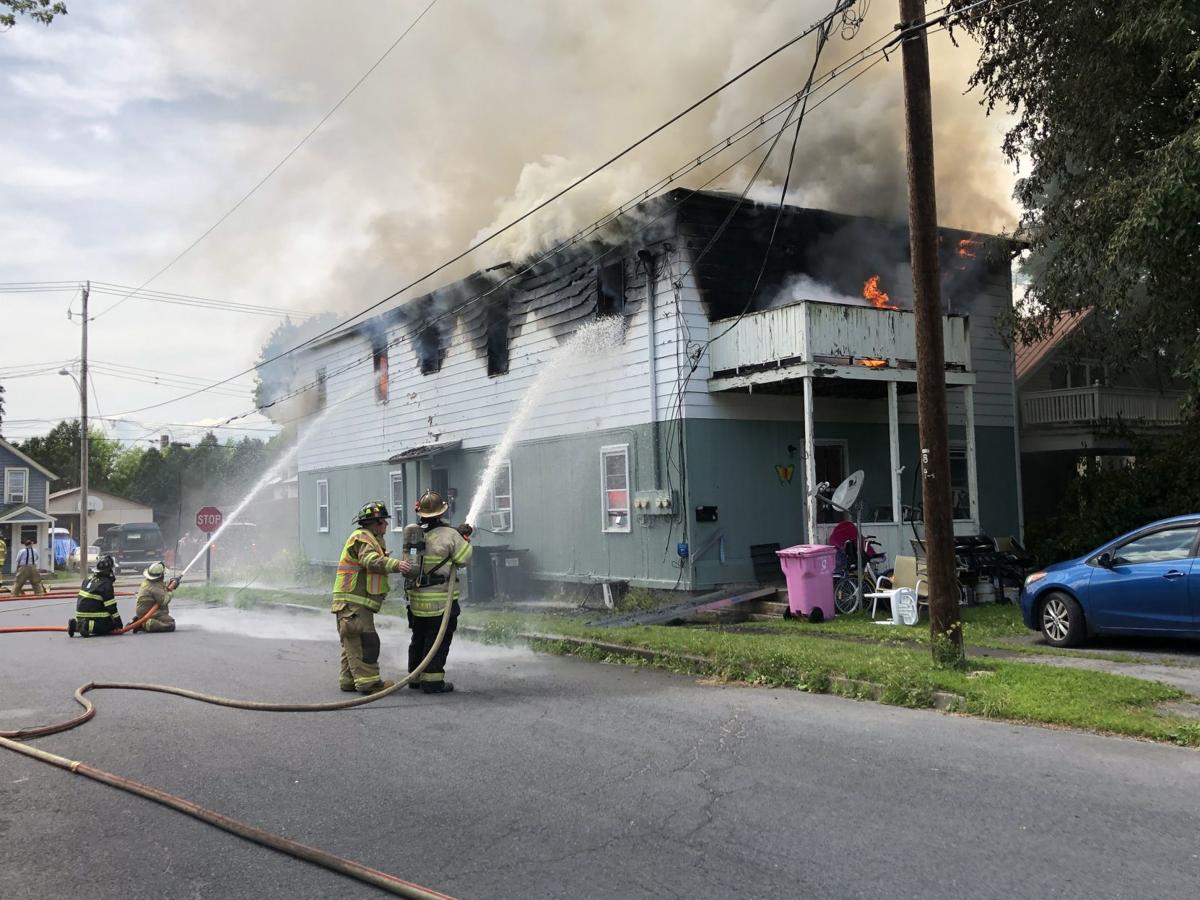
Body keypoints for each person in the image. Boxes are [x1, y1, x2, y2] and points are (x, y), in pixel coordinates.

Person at [331, 500, 412, 694]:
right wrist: (396, 564)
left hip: (352, 604)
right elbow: (370, 560)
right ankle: (369, 684)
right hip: (354, 603)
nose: (387, 524)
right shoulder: (363, 538)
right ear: (375, 523)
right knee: (366, 642)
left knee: (353, 642)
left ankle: (348, 680)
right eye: (384, 521)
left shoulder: (368, 538)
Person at [406, 490, 473, 695]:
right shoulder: (450, 535)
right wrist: (464, 540)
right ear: (441, 512)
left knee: (418, 637)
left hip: (416, 600)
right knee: (438, 640)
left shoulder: (414, 534)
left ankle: (415, 677)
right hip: (441, 600)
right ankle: (432, 682)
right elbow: (463, 559)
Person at [68, 555, 122, 637]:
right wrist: (118, 621)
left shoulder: (88, 579)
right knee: (110, 625)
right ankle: (86, 626)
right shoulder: (106, 584)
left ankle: (75, 625)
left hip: (80, 616)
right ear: (107, 570)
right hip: (93, 616)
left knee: (107, 620)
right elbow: (111, 607)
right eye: (111, 569)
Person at [130, 561, 180, 633]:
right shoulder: (153, 587)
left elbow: (160, 589)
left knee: (168, 620)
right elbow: (164, 600)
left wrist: (171, 584)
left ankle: (142, 621)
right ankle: (144, 624)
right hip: (149, 613)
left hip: (148, 611)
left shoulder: (150, 582)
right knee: (170, 625)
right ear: (161, 575)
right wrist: (170, 590)